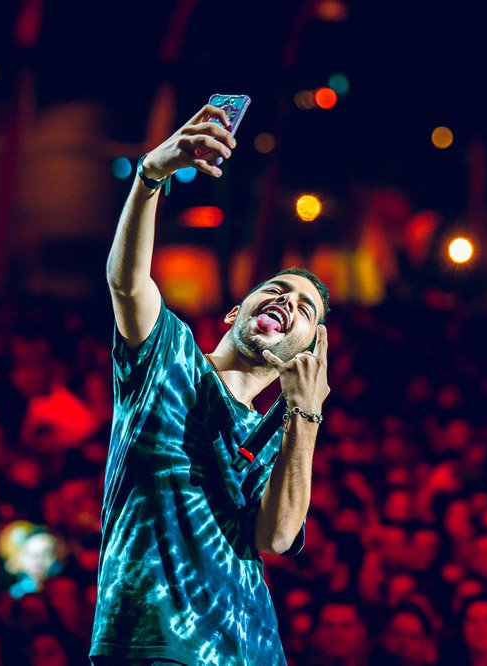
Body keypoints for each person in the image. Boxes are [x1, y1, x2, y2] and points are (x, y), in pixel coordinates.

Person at [89, 103, 331, 664]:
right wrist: (151, 175)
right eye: (277, 290)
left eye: (304, 309)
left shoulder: (281, 436)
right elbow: (126, 283)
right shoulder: (169, 354)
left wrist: (305, 414)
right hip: (153, 641)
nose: (286, 302)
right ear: (234, 312)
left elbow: (276, 537)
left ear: (307, 351)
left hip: (251, 651)